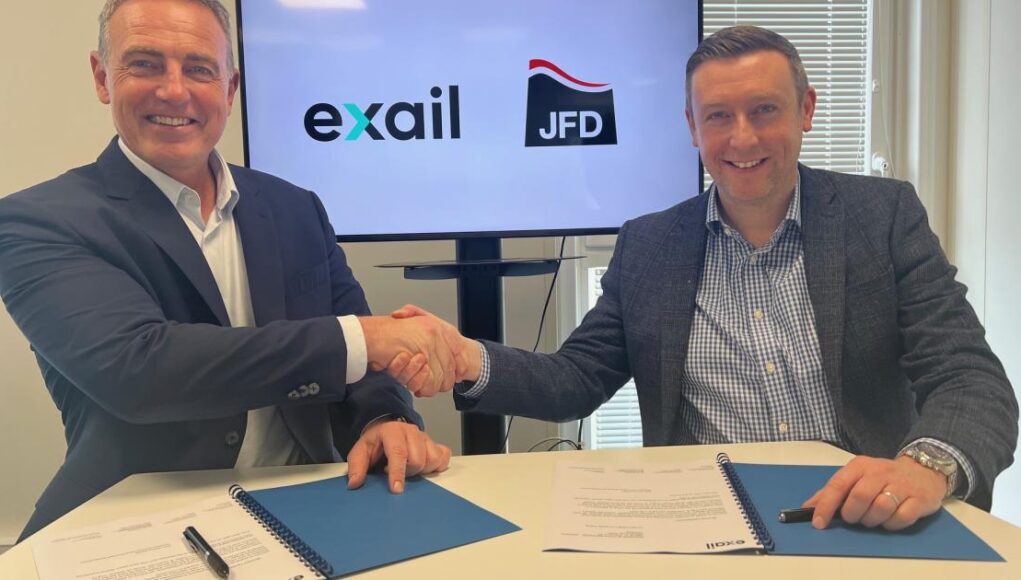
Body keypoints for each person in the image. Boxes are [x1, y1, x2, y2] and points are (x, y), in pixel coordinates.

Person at [386, 26, 1018, 531]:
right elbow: (575, 380)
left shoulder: (882, 216)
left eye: (765, 109)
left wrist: (924, 465)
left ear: (806, 110)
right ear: (692, 127)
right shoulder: (651, 243)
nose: (742, 138)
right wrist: (467, 357)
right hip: (705, 521)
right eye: (718, 116)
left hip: (862, 512)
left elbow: (969, 377)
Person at [0, 0, 465, 541]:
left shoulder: (296, 208)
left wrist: (384, 419)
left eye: (199, 68)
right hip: (133, 525)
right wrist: (366, 337)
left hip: (312, 508)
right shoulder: (37, 222)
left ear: (230, 86)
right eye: (146, 64)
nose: (174, 91)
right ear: (103, 78)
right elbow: (142, 372)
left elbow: (361, 361)